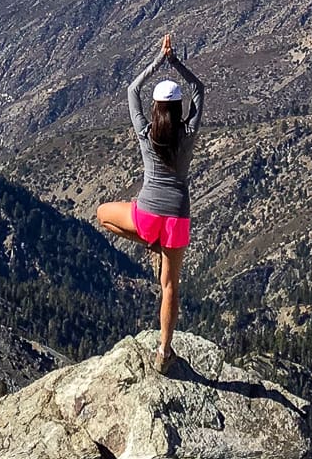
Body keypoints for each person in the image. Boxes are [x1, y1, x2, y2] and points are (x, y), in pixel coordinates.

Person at [96, 33, 204, 372]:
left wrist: (159, 60)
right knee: (170, 286)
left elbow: (132, 91)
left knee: (103, 214)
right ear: (178, 108)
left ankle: (149, 242)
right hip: (177, 222)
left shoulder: (146, 133)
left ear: (156, 108)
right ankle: (164, 351)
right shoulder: (187, 135)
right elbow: (201, 90)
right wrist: (176, 64)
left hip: (145, 217)